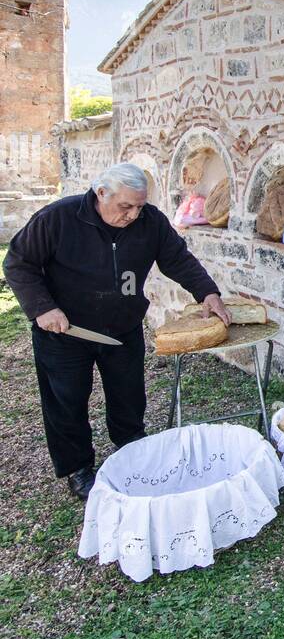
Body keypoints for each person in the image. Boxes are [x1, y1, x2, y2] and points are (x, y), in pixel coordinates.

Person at [4, 163, 231, 500]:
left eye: (139, 206)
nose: (133, 214)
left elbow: (177, 259)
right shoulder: (59, 218)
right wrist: (42, 308)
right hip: (65, 332)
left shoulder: (150, 221)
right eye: (126, 206)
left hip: (122, 328)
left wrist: (208, 293)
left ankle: (131, 449)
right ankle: (78, 468)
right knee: (65, 399)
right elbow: (18, 263)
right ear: (101, 194)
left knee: (128, 394)